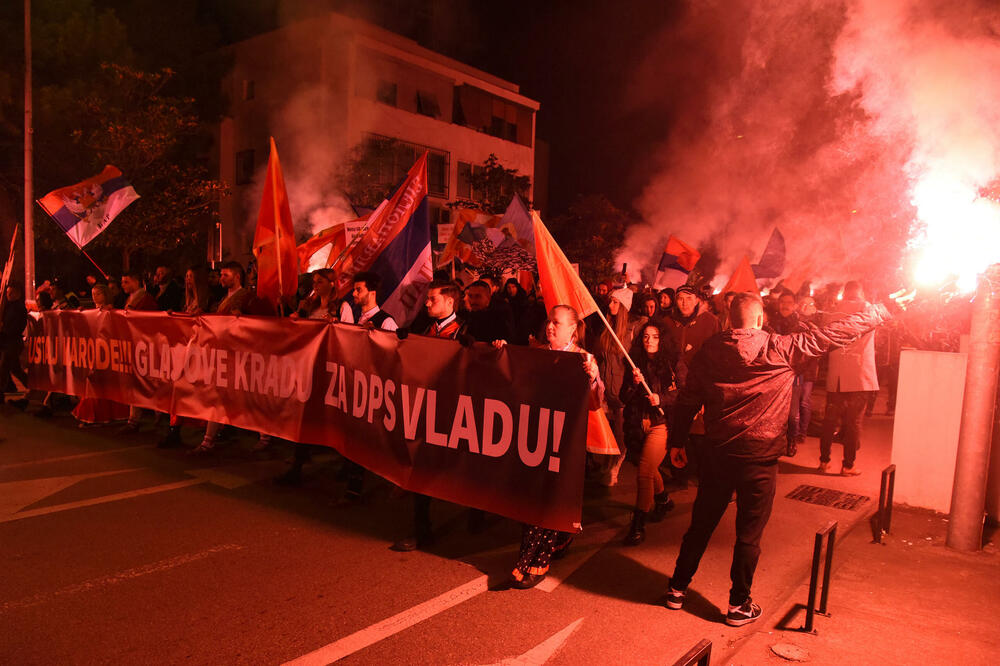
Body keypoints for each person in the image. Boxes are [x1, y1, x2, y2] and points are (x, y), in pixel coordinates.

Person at [662, 293, 890, 625]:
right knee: (748, 535)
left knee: (701, 525)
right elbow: (834, 333)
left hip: (717, 454)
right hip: (761, 458)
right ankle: (738, 605)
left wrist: (678, 440)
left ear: (730, 320)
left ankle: (677, 590)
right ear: (759, 320)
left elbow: (688, 398)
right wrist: (880, 311)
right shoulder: (781, 347)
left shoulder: (711, 350)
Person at [508, 304, 604, 588]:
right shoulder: (537, 353)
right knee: (531, 501)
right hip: (534, 437)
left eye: (557, 323)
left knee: (551, 501)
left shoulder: (584, 359)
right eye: (549, 321)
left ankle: (534, 561)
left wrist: (591, 377)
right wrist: (502, 352)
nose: (550, 327)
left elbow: (596, 403)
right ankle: (558, 540)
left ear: (573, 329)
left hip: (566, 443)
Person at [391, 280, 466, 551]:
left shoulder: (464, 331)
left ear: (449, 302)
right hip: (427, 409)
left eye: (433, 299)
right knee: (421, 464)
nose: (427, 303)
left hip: (454, 413)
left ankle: (478, 512)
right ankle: (422, 531)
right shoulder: (426, 328)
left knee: (466, 466)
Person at [620, 322, 676, 545]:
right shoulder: (634, 364)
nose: (650, 341)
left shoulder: (673, 363)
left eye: (654, 336)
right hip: (637, 424)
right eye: (645, 337)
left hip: (661, 424)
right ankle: (663, 499)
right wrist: (633, 384)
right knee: (648, 467)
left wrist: (661, 399)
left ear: (662, 339)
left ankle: (638, 525)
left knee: (644, 472)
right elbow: (623, 397)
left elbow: (684, 392)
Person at [819, 281, 879, 475]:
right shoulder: (868, 309)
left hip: (836, 373)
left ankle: (824, 461)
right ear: (860, 292)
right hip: (859, 375)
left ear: (845, 293)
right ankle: (848, 465)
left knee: (830, 420)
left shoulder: (833, 310)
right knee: (853, 422)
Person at [72, 285, 130, 426]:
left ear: (106, 295)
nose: (94, 297)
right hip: (94, 349)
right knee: (93, 381)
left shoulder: (111, 311)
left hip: (106, 349)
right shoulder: (94, 311)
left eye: (98, 294)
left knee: (102, 381)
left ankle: (103, 413)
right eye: (93, 294)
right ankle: (93, 413)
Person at [595, 287, 634, 486]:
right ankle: (608, 460)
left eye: (615, 302)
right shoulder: (606, 330)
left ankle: (616, 464)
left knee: (619, 431)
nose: (610, 305)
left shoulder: (630, 335)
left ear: (624, 307)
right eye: (610, 301)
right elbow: (601, 359)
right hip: (606, 390)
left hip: (621, 393)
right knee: (607, 430)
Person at [1, 283, 29, 398]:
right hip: (7, 342)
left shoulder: (19, 308)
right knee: (15, 369)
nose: (9, 295)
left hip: (13, 342)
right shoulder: (8, 307)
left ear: (18, 294)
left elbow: (16, 326)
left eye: (11, 293)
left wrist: (4, 330)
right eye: (8, 293)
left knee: (3, 369)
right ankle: (33, 387)